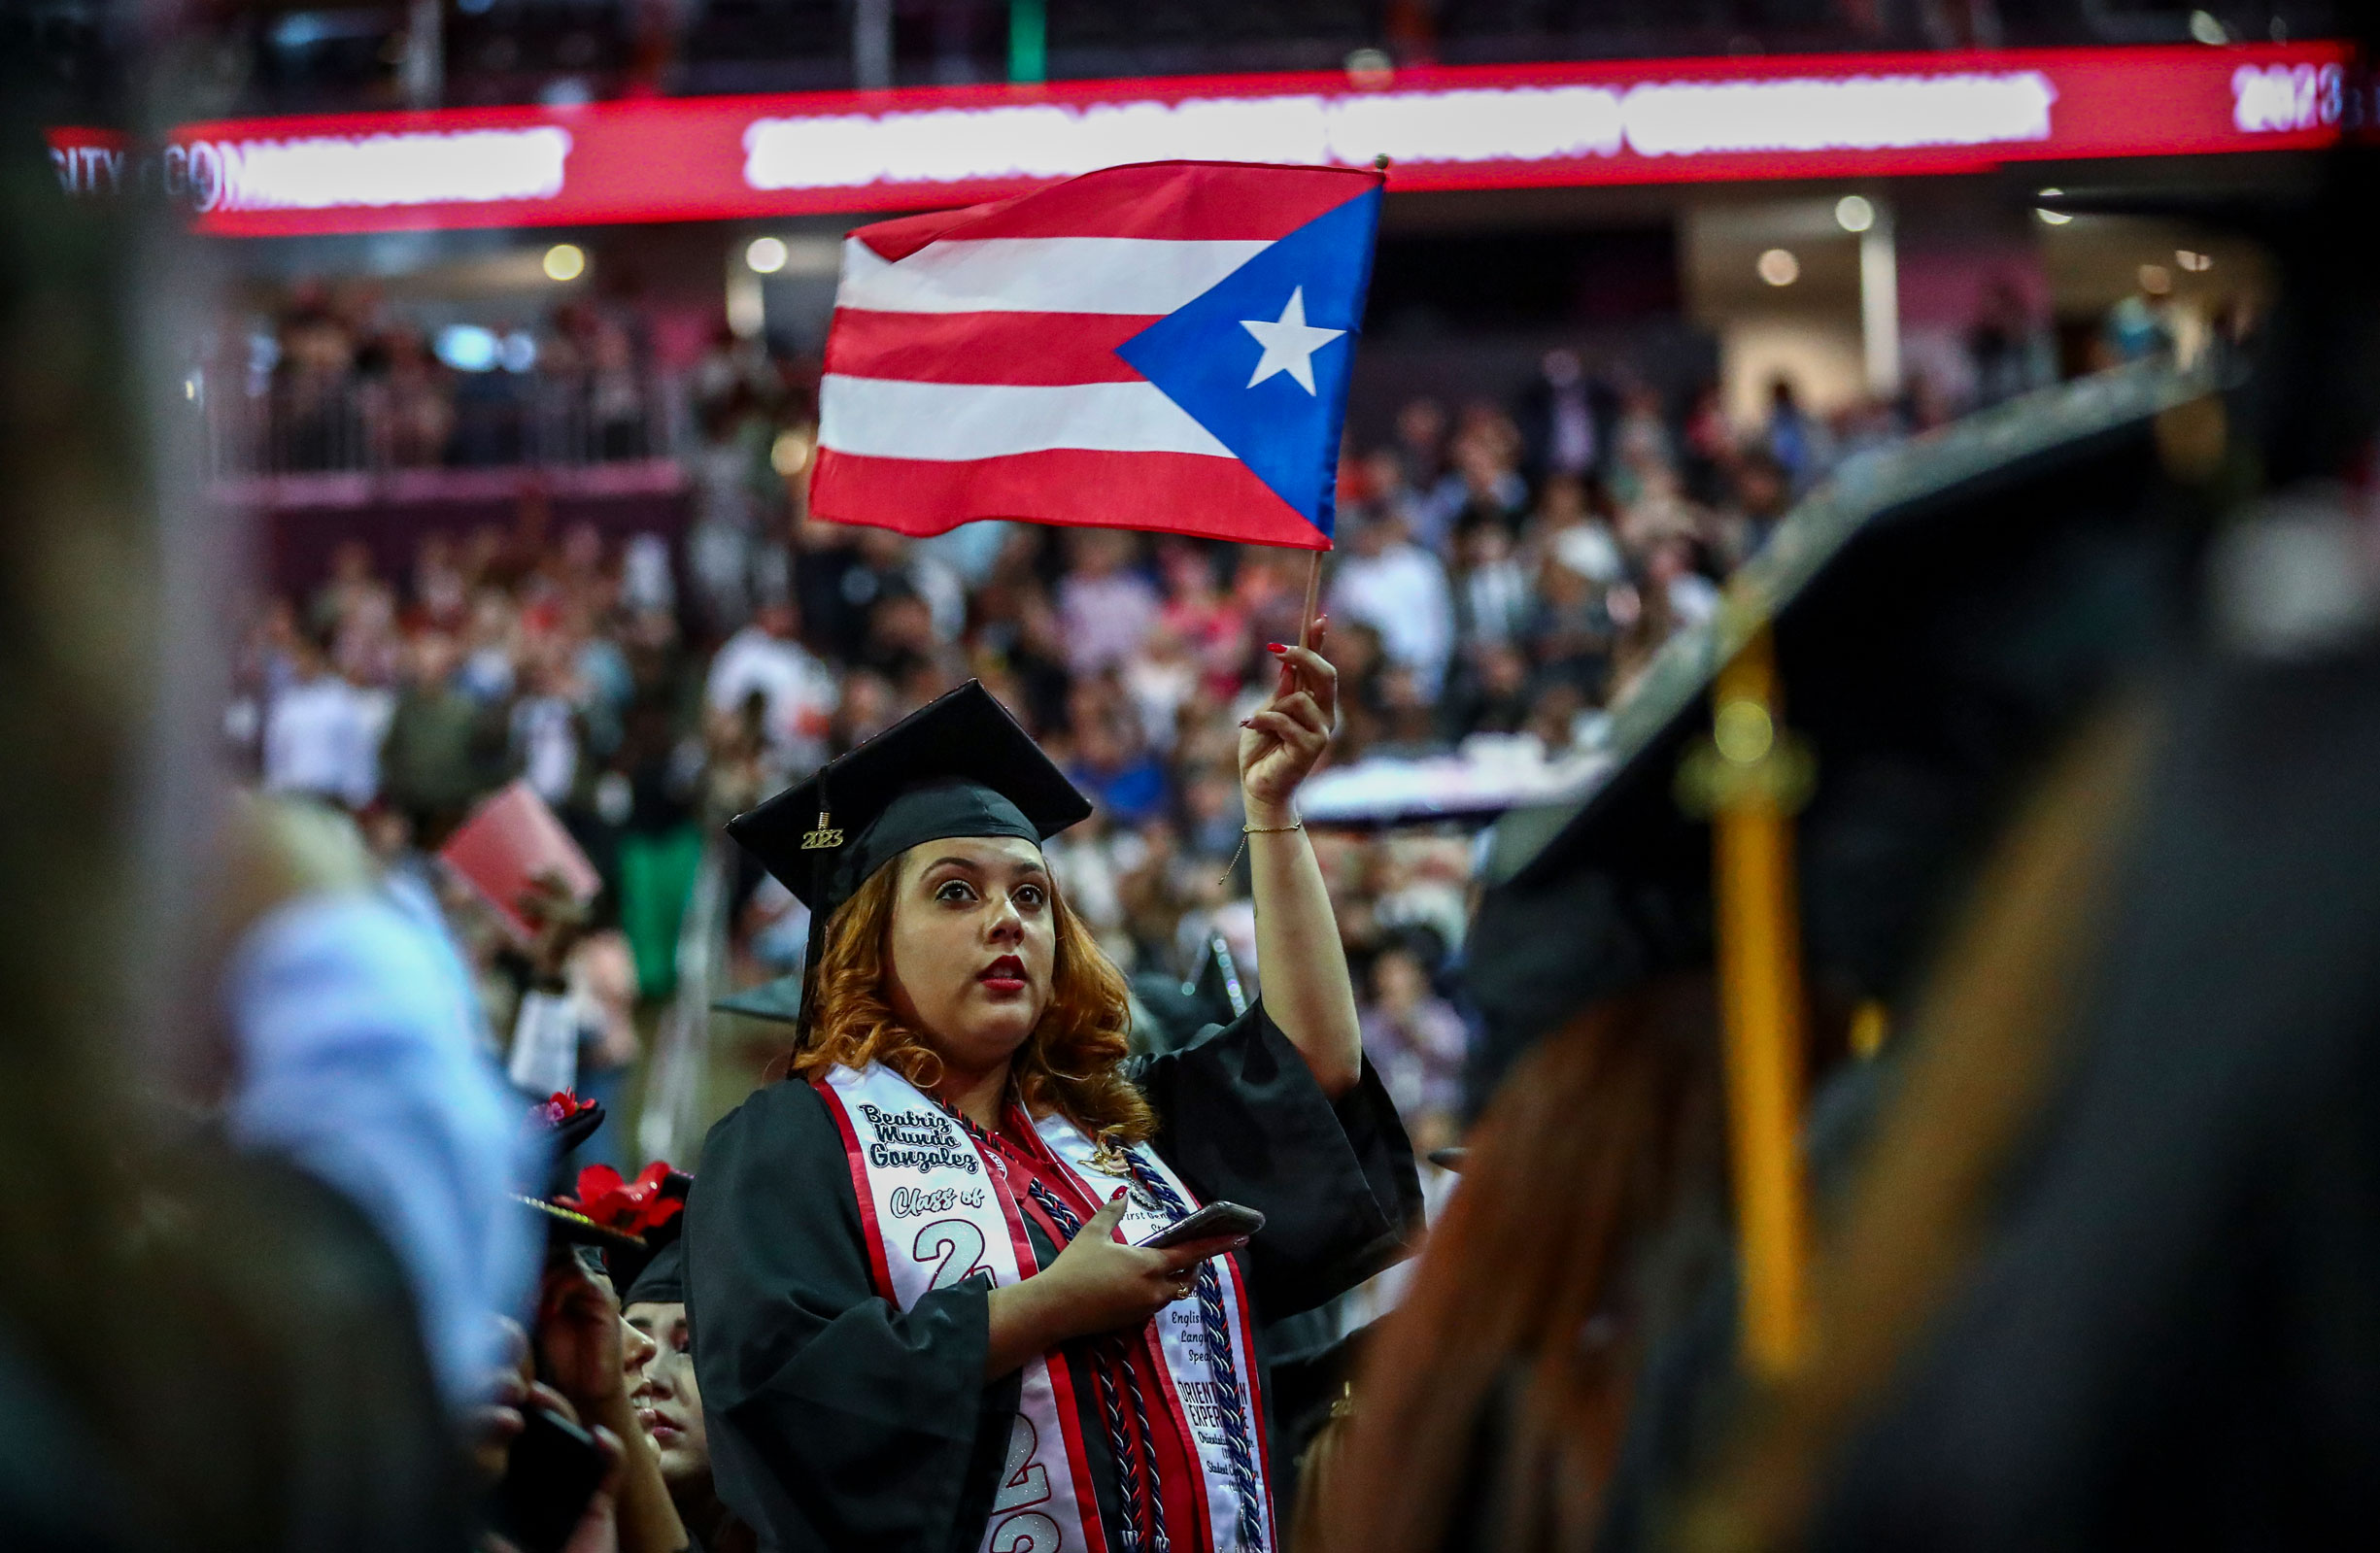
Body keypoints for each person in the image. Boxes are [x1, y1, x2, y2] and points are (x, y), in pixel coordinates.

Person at [686, 641, 1420, 1552]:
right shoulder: (790, 1142)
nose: (1006, 919)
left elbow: (1313, 1065)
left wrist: (1270, 810)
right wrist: (1042, 1307)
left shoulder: (1122, 1127)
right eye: (955, 892)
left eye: (1031, 895)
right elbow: (783, 1395)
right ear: (867, 941)